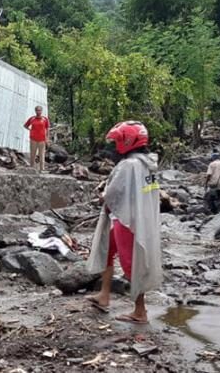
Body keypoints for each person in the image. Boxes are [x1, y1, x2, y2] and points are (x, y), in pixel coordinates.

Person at [86, 121, 162, 324]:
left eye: (118, 140)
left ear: (128, 141)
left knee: (130, 264)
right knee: (108, 251)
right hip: (137, 218)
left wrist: (101, 195)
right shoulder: (148, 163)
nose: (115, 145)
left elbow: (112, 194)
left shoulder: (128, 165)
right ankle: (104, 295)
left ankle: (140, 311)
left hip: (126, 220)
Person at [24, 106, 50, 171]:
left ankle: (42, 168)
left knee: (41, 154)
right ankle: (31, 168)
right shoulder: (32, 119)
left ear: (41, 111)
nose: (38, 112)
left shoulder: (45, 119)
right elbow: (25, 125)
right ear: (35, 111)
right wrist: (30, 129)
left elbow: (47, 128)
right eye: (37, 110)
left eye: (40, 110)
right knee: (33, 153)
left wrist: (47, 138)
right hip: (33, 139)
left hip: (42, 139)